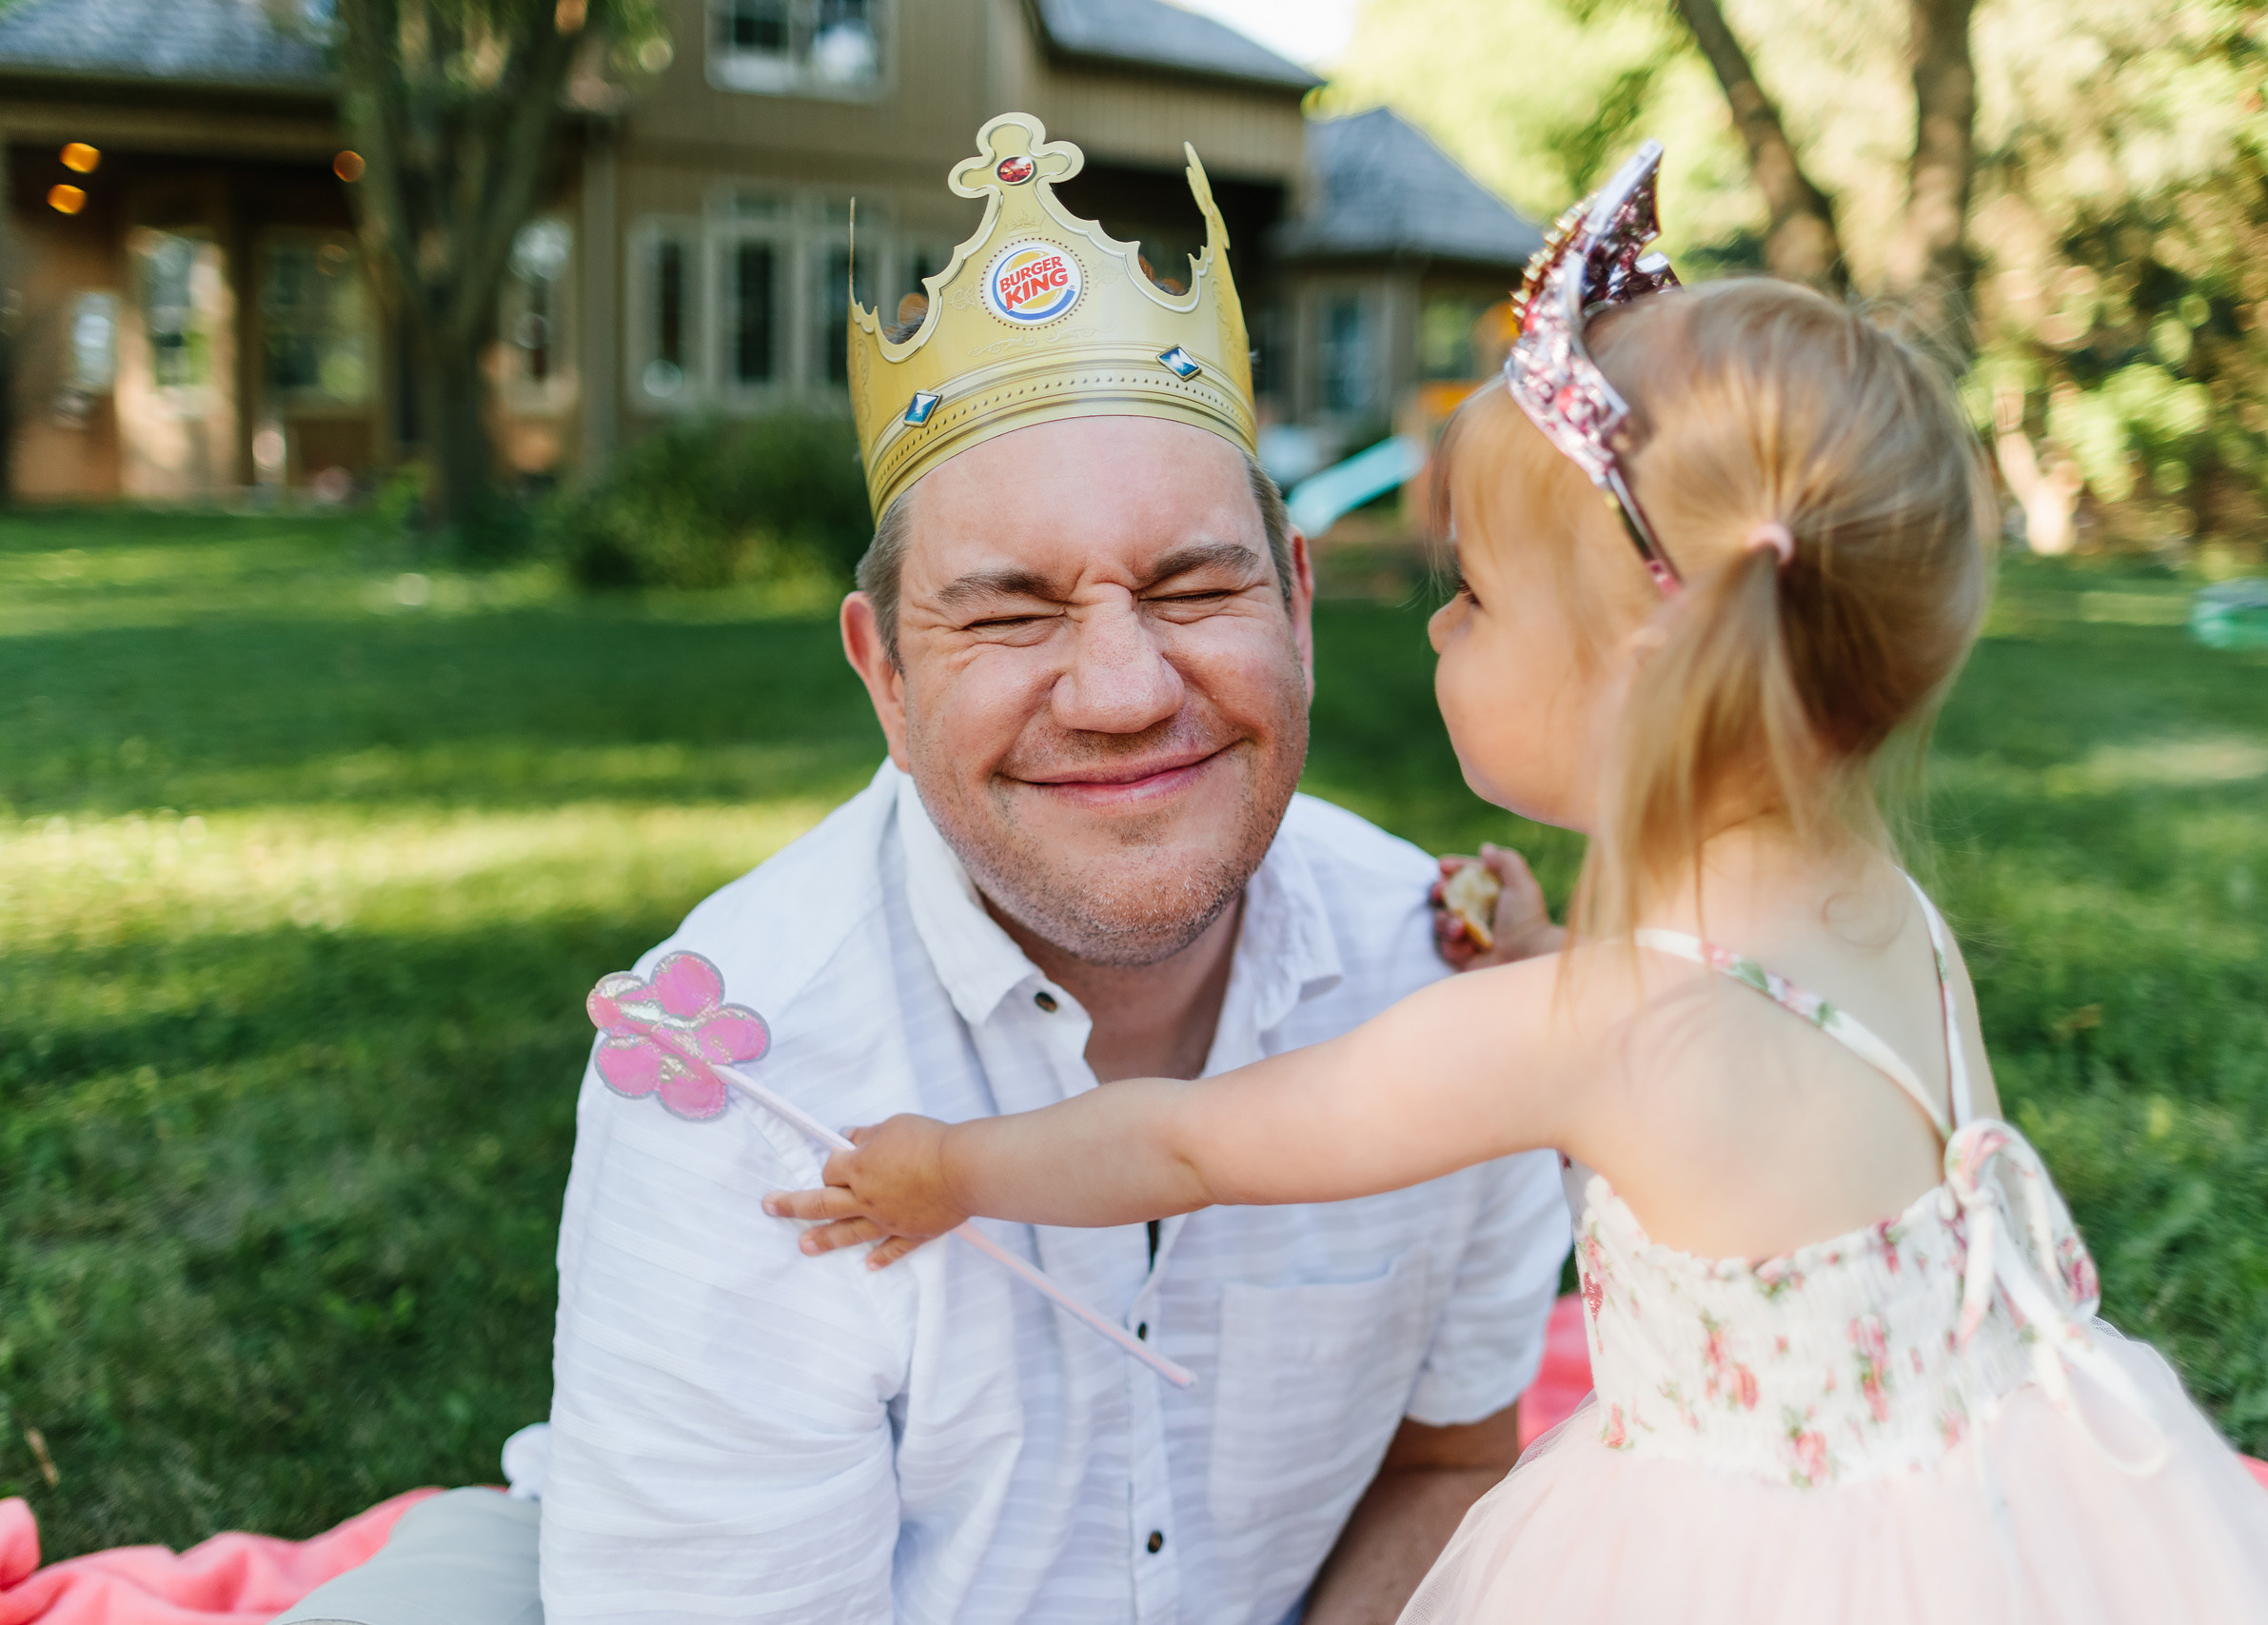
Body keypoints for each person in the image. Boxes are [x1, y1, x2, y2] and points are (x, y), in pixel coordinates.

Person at [767, 146, 2268, 1622]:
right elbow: (1737, 1076)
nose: (1440, 632)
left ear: (1650, 661)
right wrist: (1543, 952)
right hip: (1999, 1510)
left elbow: (1189, 1143)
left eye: (1476, 596)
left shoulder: (1589, 1032)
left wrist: (957, 1172)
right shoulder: (1875, 909)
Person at [523, 113, 1572, 1625]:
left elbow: (1444, 1467)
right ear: (882, 673)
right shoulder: (734, 1074)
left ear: (1298, 599)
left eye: (1193, 585)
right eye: (1011, 616)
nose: (1124, 690)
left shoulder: (1447, 979)